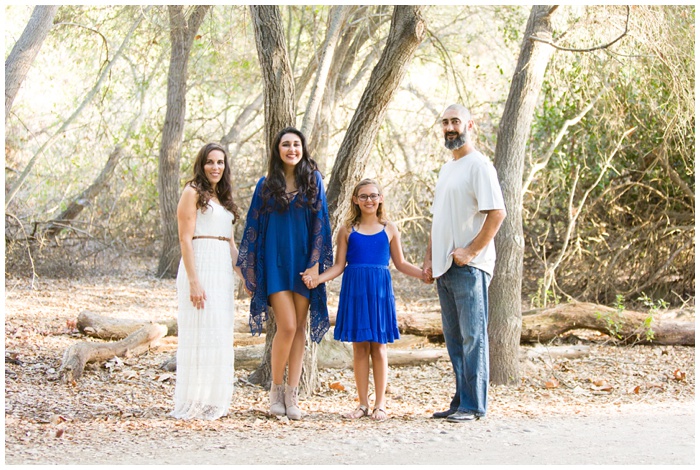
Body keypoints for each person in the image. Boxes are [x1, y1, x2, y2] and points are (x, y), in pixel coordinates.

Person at [303, 179, 423, 421]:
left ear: (380, 199)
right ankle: (362, 404)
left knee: (378, 347)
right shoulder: (347, 229)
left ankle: (380, 404)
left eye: (373, 195)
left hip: (379, 290)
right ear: (355, 200)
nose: (369, 200)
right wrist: (317, 279)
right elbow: (339, 266)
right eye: (364, 196)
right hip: (355, 289)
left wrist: (423, 274)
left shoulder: (389, 228)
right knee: (359, 348)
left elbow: (400, 263)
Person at [237, 127, 333, 420]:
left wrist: (316, 264)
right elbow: (252, 228)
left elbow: (321, 222)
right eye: (286, 145)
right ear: (277, 151)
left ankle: (292, 395)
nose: (292, 149)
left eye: (296, 144)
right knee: (287, 326)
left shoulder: (313, 180)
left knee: (300, 328)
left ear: (303, 148)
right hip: (276, 264)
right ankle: (275, 389)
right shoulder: (266, 185)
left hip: (304, 264)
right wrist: (249, 271)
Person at [422, 104, 506, 423]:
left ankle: (474, 405)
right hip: (444, 268)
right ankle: (461, 401)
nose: (450, 127)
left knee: (473, 337)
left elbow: (497, 213)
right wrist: (430, 258)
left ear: (469, 124)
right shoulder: (447, 169)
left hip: (469, 268)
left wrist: (470, 252)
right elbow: (439, 220)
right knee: (455, 340)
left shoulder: (478, 165)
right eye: (445, 122)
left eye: (455, 121)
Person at [171, 142, 244, 420]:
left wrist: (245, 277)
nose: (215, 167)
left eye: (220, 162)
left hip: (221, 270)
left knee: (218, 333)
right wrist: (193, 281)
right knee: (199, 334)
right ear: (202, 165)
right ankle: (193, 399)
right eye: (210, 162)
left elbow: (231, 244)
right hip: (199, 264)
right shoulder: (192, 192)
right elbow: (184, 239)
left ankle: (214, 398)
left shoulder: (223, 198)